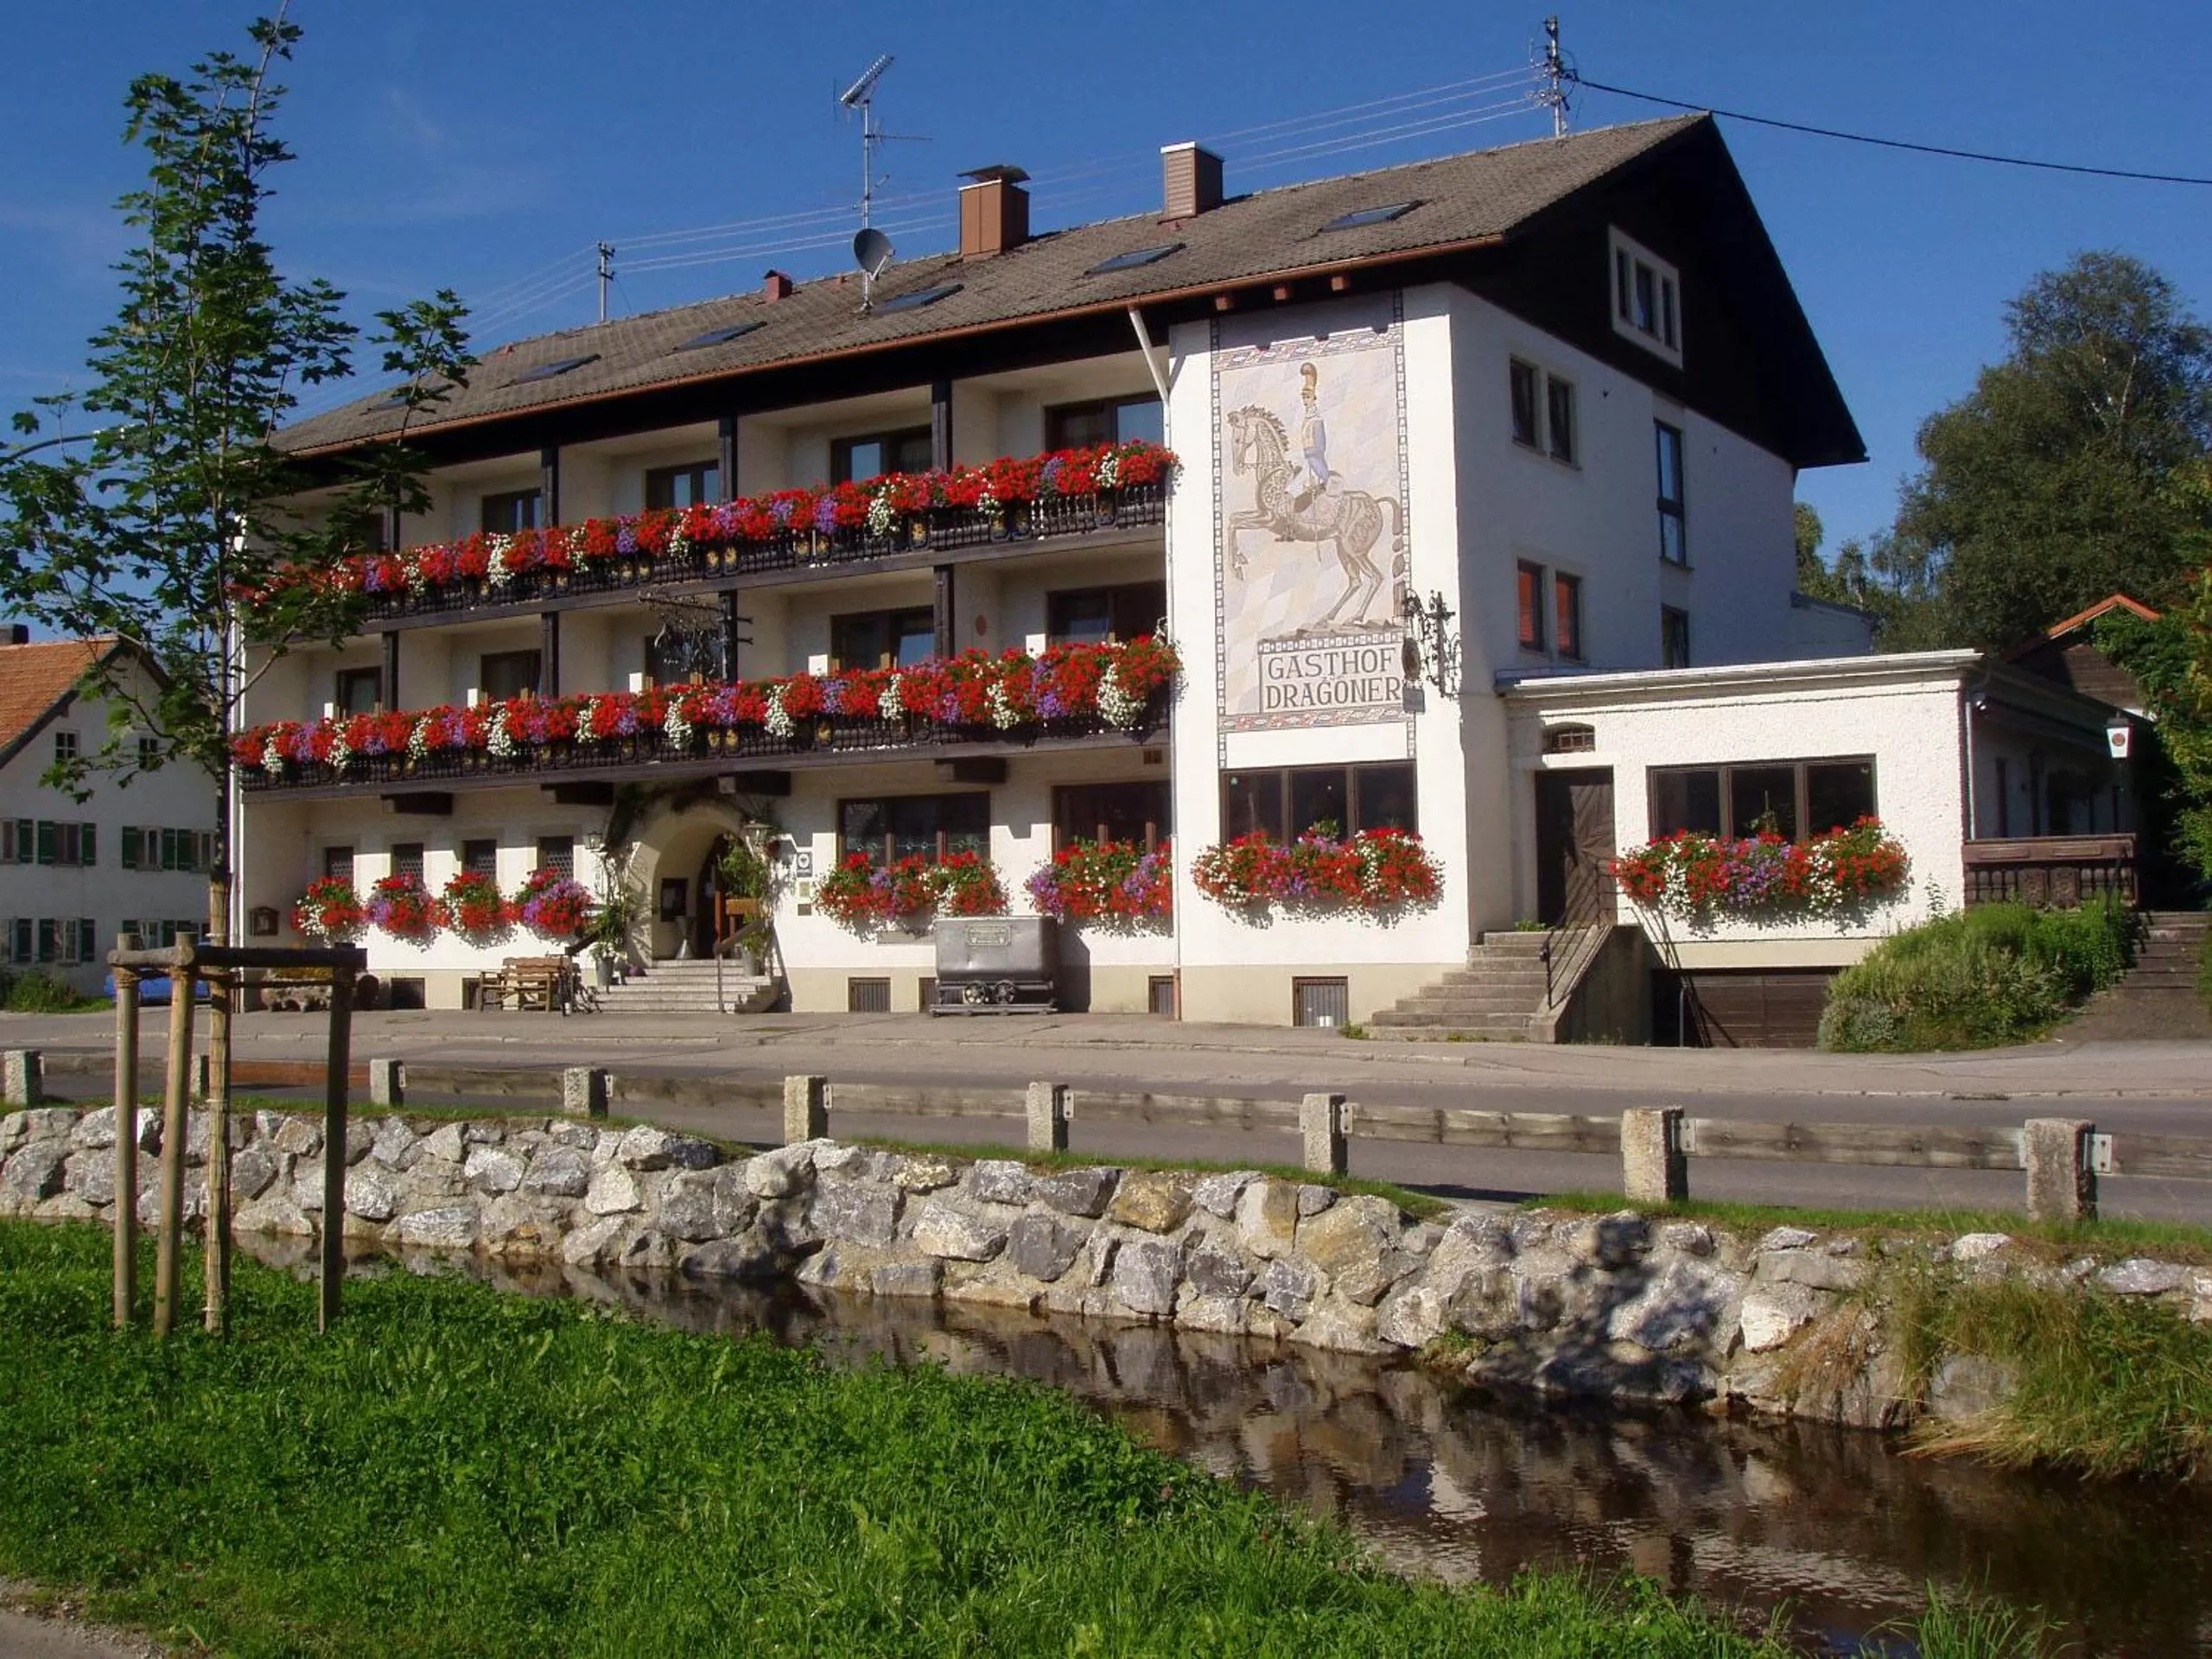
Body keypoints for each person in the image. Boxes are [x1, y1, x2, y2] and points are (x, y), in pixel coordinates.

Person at [1291, 361, 1333, 513]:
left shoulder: (1316, 419)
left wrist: (1314, 453)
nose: (1305, 401)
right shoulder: (1307, 418)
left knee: (1320, 477)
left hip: (1314, 455)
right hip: (1307, 455)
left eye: (1307, 398)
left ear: (1313, 398)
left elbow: (1321, 444)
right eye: (1303, 398)